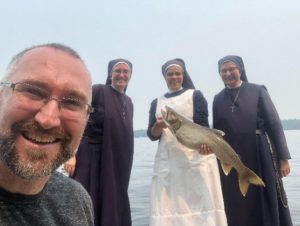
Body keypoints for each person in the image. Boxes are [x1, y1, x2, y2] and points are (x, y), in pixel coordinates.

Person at [0, 43, 94, 225]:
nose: (48, 119)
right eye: (32, 91)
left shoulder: (76, 199)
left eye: (72, 102)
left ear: (87, 118)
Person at [213, 55, 293, 226]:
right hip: (232, 157)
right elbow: (216, 134)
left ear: (240, 69)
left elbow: (274, 124)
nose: (227, 73)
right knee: (237, 201)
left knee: (265, 195)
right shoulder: (217, 99)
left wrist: (283, 158)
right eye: (223, 71)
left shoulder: (258, 91)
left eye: (231, 69)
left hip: (260, 152)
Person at [147, 58, 227, 226]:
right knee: (169, 211)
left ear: (183, 75)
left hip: (195, 159)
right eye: (170, 74)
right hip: (168, 162)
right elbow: (152, 135)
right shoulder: (156, 102)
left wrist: (208, 147)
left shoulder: (195, 96)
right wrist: (159, 126)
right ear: (165, 77)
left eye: (178, 74)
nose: (174, 77)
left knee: (201, 210)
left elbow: (204, 128)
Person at [64, 59, 134, 226]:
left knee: (111, 203)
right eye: (118, 71)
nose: (121, 75)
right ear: (110, 74)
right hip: (90, 157)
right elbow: (74, 117)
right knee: (85, 200)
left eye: (126, 71)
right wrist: (71, 154)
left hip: (115, 164)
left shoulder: (129, 102)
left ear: (130, 75)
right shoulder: (98, 91)